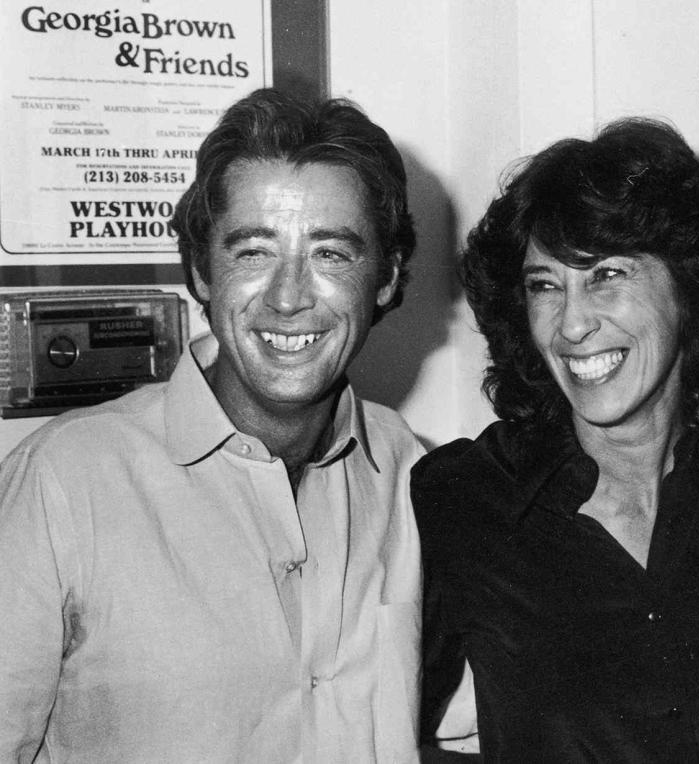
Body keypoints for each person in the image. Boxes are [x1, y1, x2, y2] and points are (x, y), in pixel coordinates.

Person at [0, 89, 424, 761]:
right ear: (201, 270)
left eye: (331, 255)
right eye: (253, 252)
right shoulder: (62, 484)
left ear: (385, 277)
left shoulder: (415, 477)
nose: (289, 298)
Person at [413, 118, 699, 761]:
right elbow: (377, 725)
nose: (572, 323)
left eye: (607, 275)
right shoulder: (463, 499)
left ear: (688, 285)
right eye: (544, 286)